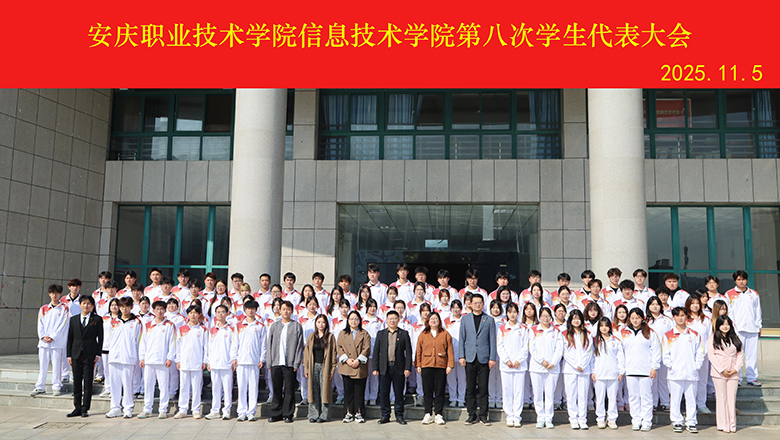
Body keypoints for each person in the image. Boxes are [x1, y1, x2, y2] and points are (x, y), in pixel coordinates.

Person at [663, 307, 706, 433]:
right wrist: (671, 365)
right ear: (673, 317)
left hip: (691, 372)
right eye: (677, 316)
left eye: (682, 315)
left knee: (691, 399)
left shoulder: (694, 334)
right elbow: (665, 354)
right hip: (675, 373)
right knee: (675, 399)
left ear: (686, 316)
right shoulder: (668, 335)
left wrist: (696, 366)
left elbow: (700, 352)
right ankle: (676, 421)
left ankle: (691, 422)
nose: (680, 318)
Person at [458, 293, 497, 426]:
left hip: (484, 358)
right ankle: (471, 414)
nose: (477, 305)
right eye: (475, 303)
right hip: (469, 357)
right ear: (470, 304)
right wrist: (461, 356)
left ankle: (484, 415)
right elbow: (462, 338)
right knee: (470, 388)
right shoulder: (465, 319)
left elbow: (492, 340)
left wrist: (492, 357)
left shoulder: (489, 320)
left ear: (483, 304)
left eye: (480, 303)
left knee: (483, 388)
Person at [621, 308, 661, 431]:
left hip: (646, 370)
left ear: (642, 318)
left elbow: (656, 350)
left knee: (646, 397)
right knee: (633, 396)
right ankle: (636, 420)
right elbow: (620, 352)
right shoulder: (624, 332)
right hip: (630, 370)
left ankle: (646, 421)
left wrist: (654, 367)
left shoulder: (650, 332)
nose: (635, 320)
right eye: (633, 318)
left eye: (637, 318)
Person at [267, 301, 305, 423]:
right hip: (276, 362)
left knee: (289, 390)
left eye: (288, 309)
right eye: (283, 309)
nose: (286, 311)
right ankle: (276, 413)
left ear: (292, 311)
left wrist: (296, 363)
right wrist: (269, 362)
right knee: (276, 389)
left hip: (290, 364)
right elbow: (269, 344)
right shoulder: (274, 326)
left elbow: (299, 346)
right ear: (280, 310)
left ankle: (288, 414)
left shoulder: (296, 326)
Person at [66, 295, 103, 418]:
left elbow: (100, 338)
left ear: (92, 306)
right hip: (76, 354)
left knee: (88, 381)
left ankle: (85, 408)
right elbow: (70, 338)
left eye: (88, 304)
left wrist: (98, 353)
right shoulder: (73, 319)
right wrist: (69, 355)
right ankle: (76, 407)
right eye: (84, 303)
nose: (86, 306)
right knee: (76, 381)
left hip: (90, 354)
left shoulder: (97, 319)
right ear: (80, 305)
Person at [137, 301, 176, 419]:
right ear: (153, 311)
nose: (159, 311)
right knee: (148, 386)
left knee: (163, 386)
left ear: (165, 310)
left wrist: (170, 357)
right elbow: (143, 342)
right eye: (157, 309)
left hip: (163, 361)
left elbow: (172, 342)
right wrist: (142, 357)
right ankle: (147, 409)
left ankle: (163, 410)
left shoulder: (169, 325)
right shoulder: (148, 325)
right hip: (149, 360)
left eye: (161, 309)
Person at [373, 310, 412, 425]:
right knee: (384, 393)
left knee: (399, 393)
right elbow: (376, 352)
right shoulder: (381, 334)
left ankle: (399, 415)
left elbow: (408, 352)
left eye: (395, 318)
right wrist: (375, 367)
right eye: (390, 319)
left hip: (398, 367)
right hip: (384, 368)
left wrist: (408, 368)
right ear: (386, 320)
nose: (392, 321)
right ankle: (385, 415)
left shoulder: (403, 334)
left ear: (398, 320)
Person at [105, 297, 142, 419]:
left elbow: (139, 340)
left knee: (127, 384)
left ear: (131, 307)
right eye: (122, 306)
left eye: (127, 306)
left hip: (128, 357)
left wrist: (140, 356)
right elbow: (110, 338)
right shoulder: (114, 321)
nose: (124, 309)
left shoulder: (136, 322)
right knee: (114, 384)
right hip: (114, 356)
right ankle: (115, 408)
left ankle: (128, 408)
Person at [416, 311, 454, 425]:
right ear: (428, 321)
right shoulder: (423, 334)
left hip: (441, 365)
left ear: (439, 321)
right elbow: (418, 351)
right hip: (426, 365)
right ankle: (427, 413)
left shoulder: (445, 334)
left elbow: (450, 351)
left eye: (436, 319)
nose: (434, 321)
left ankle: (438, 414)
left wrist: (450, 365)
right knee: (427, 391)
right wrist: (418, 364)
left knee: (439, 391)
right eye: (431, 319)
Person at [32, 284, 69, 397]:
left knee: (57, 365)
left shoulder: (64, 308)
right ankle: (40, 386)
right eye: (52, 293)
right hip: (43, 343)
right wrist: (43, 336)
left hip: (57, 342)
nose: (54, 295)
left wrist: (53, 337)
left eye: (57, 293)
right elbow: (40, 324)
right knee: (43, 365)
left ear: (60, 294)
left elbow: (63, 325)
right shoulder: (43, 308)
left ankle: (56, 386)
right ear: (49, 294)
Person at [529, 307, 564, 429]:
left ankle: (549, 418)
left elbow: (559, 349)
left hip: (552, 368)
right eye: (543, 316)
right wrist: (542, 361)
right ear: (539, 317)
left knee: (550, 394)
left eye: (548, 316)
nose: (546, 318)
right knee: (538, 394)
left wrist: (553, 362)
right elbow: (532, 348)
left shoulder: (556, 331)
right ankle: (540, 417)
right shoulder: (533, 330)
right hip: (537, 367)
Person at [726, 270, 762, 386]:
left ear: (747, 280)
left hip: (752, 329)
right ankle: (738, 378)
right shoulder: (729, 294)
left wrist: (759, 326)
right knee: (737, 355)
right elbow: (729, 312)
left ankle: (752, 378)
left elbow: (757, 311)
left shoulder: (754, 294)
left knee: (752, 355)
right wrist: (732, 327)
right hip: (737, 329)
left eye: (743, 279)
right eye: (739, 279)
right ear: (735, 281)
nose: (741, 282)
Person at [708, 315, 743, 433]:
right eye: (723, 324)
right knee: (721, 398)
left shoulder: (735, 338)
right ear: (718, 325)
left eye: (727, 324)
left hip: (733, 373)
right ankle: (723, 424)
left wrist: (735, 369)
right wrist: (721, 370)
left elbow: (740, 355)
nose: (725, 326)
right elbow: (711, 355)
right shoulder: (713, 338)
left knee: (731, 398)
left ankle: (732, 424)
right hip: (719, 373)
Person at [496, 302, 529, 428]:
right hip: (506, 365)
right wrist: (507, 360)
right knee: (507, 391)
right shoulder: (502, 328)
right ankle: (509, 415)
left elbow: (525, 346)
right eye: (510, 312)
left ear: (518, 313)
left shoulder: (523, 328)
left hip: (519, 365)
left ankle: (517, 416)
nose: (512, 314)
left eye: (514, 312)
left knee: (518, 391)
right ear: (507, 314)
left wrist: (519, 360)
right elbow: (500, 346)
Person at [173, 304, 208, 420]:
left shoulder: (203, 329)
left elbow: (206, 346)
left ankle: (196, 410)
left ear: (199, 315)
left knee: (196, 387)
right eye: (191, 313)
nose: (193, 315)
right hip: (184, 361)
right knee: (184, 386)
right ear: (187, 315)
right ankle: (182, 409)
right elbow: (178, 345)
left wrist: (204, 361)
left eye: (195, 313)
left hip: (197, 362)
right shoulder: (182, 329)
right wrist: (178, 360)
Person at [337, 310, 372, 423]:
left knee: (359, 391)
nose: (353, 321)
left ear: (359, 321)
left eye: (356, 319)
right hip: (347, 365)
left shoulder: (364, 333)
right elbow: (339, 347)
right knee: (348, 391)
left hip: (359, 366)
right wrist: (347, 360)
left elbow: (367, 348)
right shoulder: (342, 333)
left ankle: (359, 413)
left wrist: (358, 360)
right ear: (348, 320)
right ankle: (348, 412)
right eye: (351, 319)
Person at [205, 305, 238, 420]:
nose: (220, 314)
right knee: (215, 388)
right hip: (215, 363)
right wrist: (209, 361)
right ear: (215, 314)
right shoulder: (212, 330)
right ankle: (215, 410)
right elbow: (209, 346)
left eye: (223, 312)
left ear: (227, 313)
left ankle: (226, 411)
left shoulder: (231, 329)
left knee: (227, 389)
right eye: (218, 312)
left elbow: (234, 345)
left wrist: (233, 359)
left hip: (226, 363)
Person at [236, 300, 267, 422]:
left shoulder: (260, 326)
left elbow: (263, 344)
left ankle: (251, 412)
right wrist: (234, 358)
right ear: (245, 310)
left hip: (254, 361)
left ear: (256, 310)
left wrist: (262, 359)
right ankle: (241, 412)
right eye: (248, 308)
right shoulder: (239, 325)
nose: (250, 311)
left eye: (253, 308)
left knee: (253, 387)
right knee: (242, 387)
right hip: (241, 361)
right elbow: (235, 343)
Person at [562, 309, 593, 430]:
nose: (576, 321)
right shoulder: (565, 334)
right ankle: (573, 419)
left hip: (584, 370)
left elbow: (589, 351)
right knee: (571, 395)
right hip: (570, 369)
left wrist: (582, 365)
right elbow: (565, 352)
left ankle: (582, 419)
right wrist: (576, 365)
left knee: (583, 395)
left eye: (578, 318)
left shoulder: (587, 334)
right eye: (574, 318)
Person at [592, 317, 625, 429]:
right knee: (600, 398)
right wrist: (593, 371)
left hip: (613, 373)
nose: (604, 328)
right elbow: (592, 358)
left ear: (610, 327)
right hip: (599, 374)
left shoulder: (616, 341)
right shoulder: (595, 340)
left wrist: (621, 371)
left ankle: (612, 418)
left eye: (606, 326)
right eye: (601, 326)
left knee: (612, 398)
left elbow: (620, 357)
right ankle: (600, 418)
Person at [304, 314, 337, 423]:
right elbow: (307, 353)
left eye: (323, 322)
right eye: (319, 322)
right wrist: (306, 368)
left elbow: (333, 354)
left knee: (325, 391)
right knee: (313, 390)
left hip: (325, 366)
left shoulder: (330, 337)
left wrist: (332, 369)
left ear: (326, 323)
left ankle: (324, 415)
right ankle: (313, 414)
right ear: (315, 323)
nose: (321, 324)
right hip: (313, 366)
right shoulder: (311, 336)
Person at [685, 294, 712, 415]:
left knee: (702, 380)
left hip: (703, 354)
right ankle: (690, 404)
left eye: (697, 303)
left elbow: (710, 336)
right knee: (689, 381)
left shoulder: (706, 319)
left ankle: (701, 404)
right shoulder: (685, 319)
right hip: (688, 354)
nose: (695, 306)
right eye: (692, 303)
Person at [646, 296, 673, 411]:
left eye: (657, 304)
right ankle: (653, 402)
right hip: (650, 354)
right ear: (648, 306)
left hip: (665, 352)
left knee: (663, 379)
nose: (655, 306)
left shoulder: (667, 320)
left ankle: (665, 402)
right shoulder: (645, 321)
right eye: (652, 304)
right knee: (652, 379)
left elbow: (672, 336)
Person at [444, 300, 466, 408]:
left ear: (461, 309)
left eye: (458, 307)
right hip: (450, 353)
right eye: (454, 308)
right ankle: (453, 398)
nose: (456, 310)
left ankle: (461, 399)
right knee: (451, 378)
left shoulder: (464, 320)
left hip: (462, 353)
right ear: (451, 309)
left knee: (462, 378)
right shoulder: (446, 321)